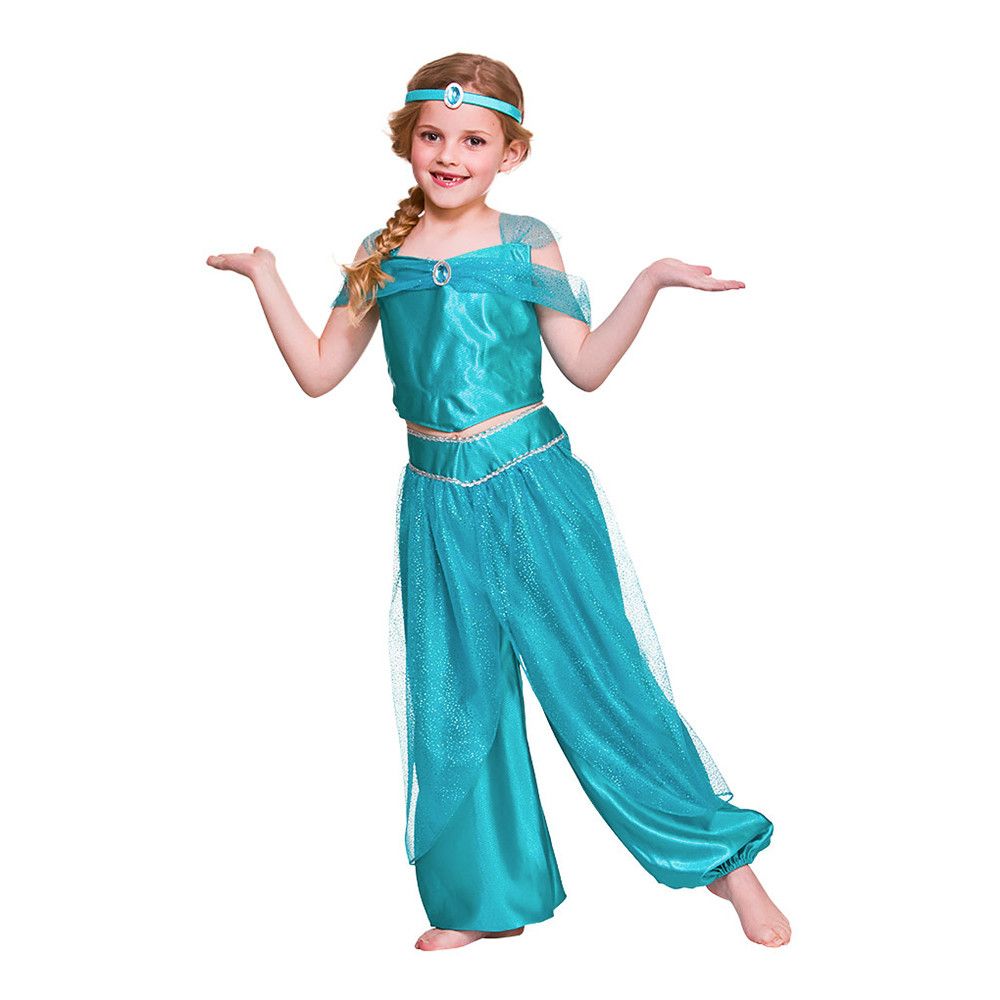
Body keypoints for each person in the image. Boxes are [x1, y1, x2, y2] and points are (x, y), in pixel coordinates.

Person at [207, 51, 791, 953]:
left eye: (473, 140)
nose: (450, 155)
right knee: (456, 696)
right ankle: (484, 899)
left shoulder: (526, 241)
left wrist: (647, 283)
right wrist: (265, 276)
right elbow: (320, 373)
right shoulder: (379, 254)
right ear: (407, 143)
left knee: (599, 677)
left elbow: (585, 367)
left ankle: (726, 865)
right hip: (435, 500)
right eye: (433, 136)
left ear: (509, 153)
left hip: (531, 488)